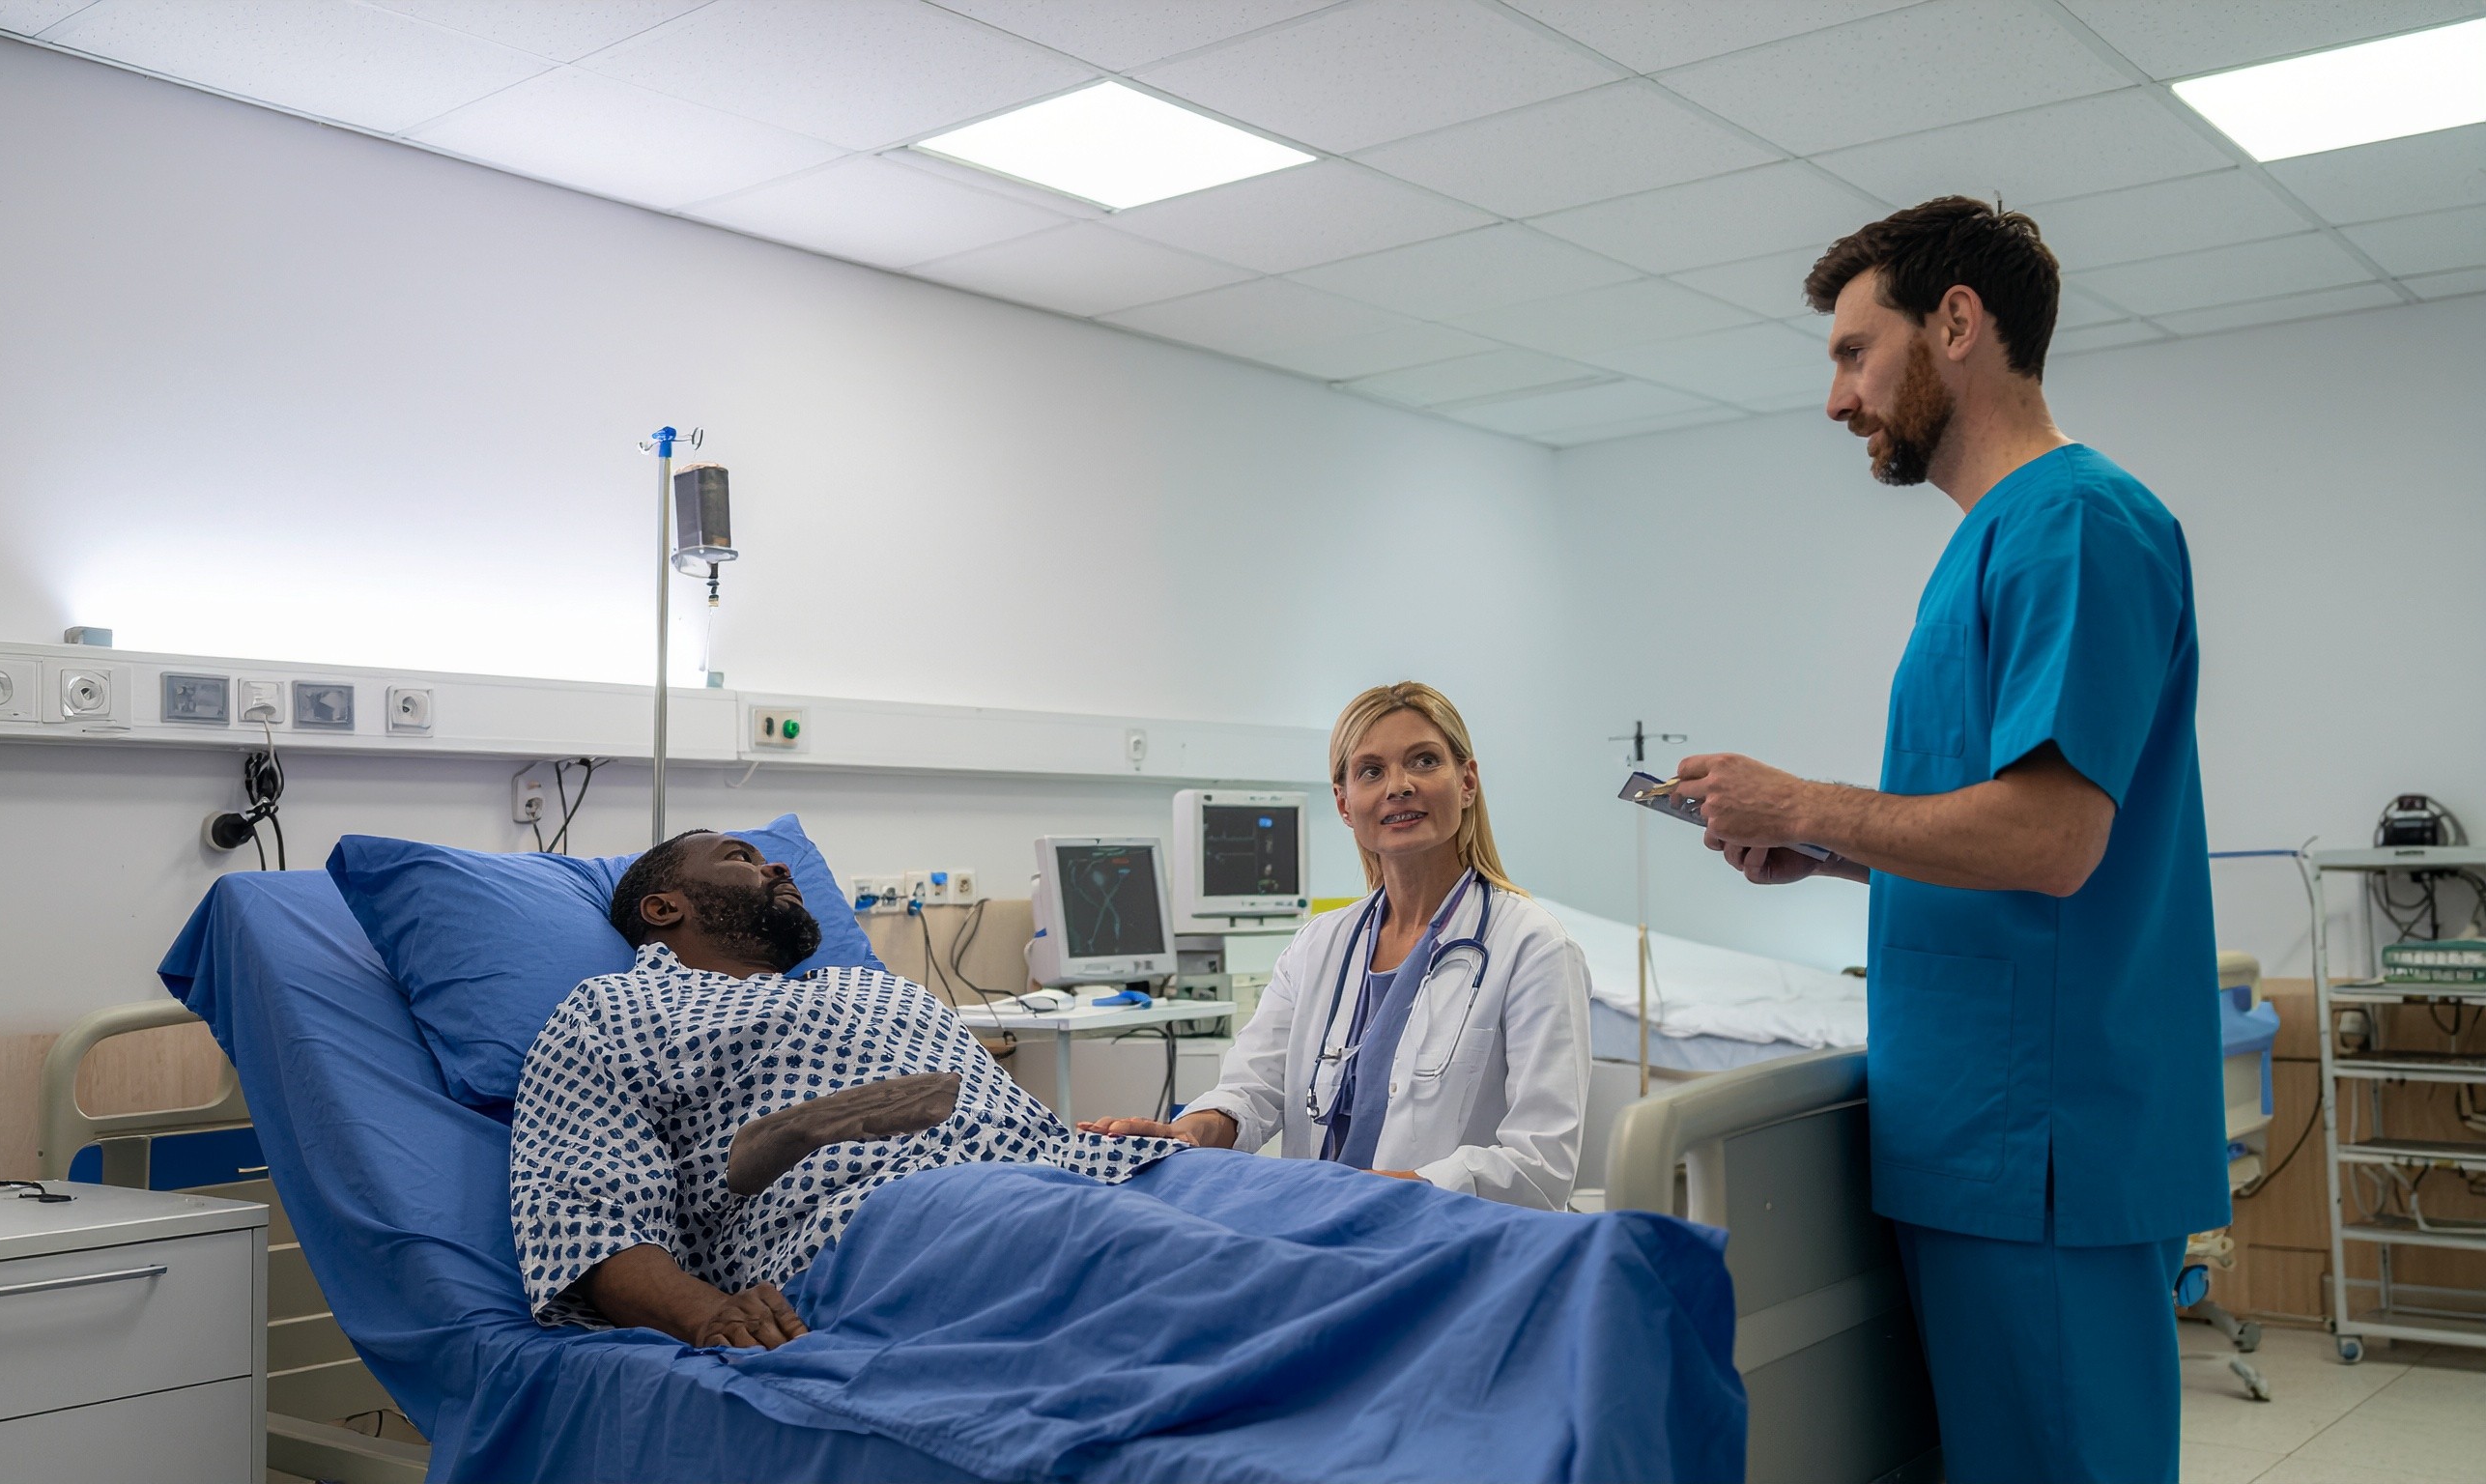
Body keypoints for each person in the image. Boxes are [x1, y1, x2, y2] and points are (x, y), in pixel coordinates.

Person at [1670, 197, 2224, 1483]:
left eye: (1855, 352)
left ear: (1957, 325)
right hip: (1976, 1132)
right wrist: (1831, 852)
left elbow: (2052, 839)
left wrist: (1804, 802)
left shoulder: (2076, 524)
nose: (1838, 397)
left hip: (2039, 1142)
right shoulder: (1991, 545)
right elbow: (1990, 834)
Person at [508, 829, 1179, 1347]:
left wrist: (1097, 1143)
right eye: (743, 858)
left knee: (1269, 1200)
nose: (778, 867)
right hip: (887, 1216)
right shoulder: (615, 1008)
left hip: (1100, 1173)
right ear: (664, 907)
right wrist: (710, 1313)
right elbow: (582, 1212)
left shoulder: (880, 986)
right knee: (1215, 1281)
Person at [1085, 682, 1592, 1211]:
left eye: (1423, 761)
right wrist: (1188, 1133)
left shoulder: (1534, 948)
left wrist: (1380, 1194)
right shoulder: (1317, 946)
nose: (1399, 786)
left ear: (1467, 782)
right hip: (1318, 1231)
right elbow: (1252, 1090)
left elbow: (1541, 1164)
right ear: (1345, 803)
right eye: (1371, 771)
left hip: (1446, 1246)